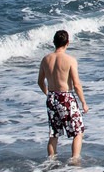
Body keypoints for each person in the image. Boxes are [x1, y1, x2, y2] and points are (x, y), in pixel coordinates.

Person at [38, 29, 88, 163]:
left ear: (54, 42)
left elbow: (40, 82)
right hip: (66, 97)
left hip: (51, 97)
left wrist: (48, 94)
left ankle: (51, 162)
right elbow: (76, 84)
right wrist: (83, 102)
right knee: (78, 132)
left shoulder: (45, 59)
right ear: (68, 43)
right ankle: (75, 160)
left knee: (54, 134)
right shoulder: (70, 60)